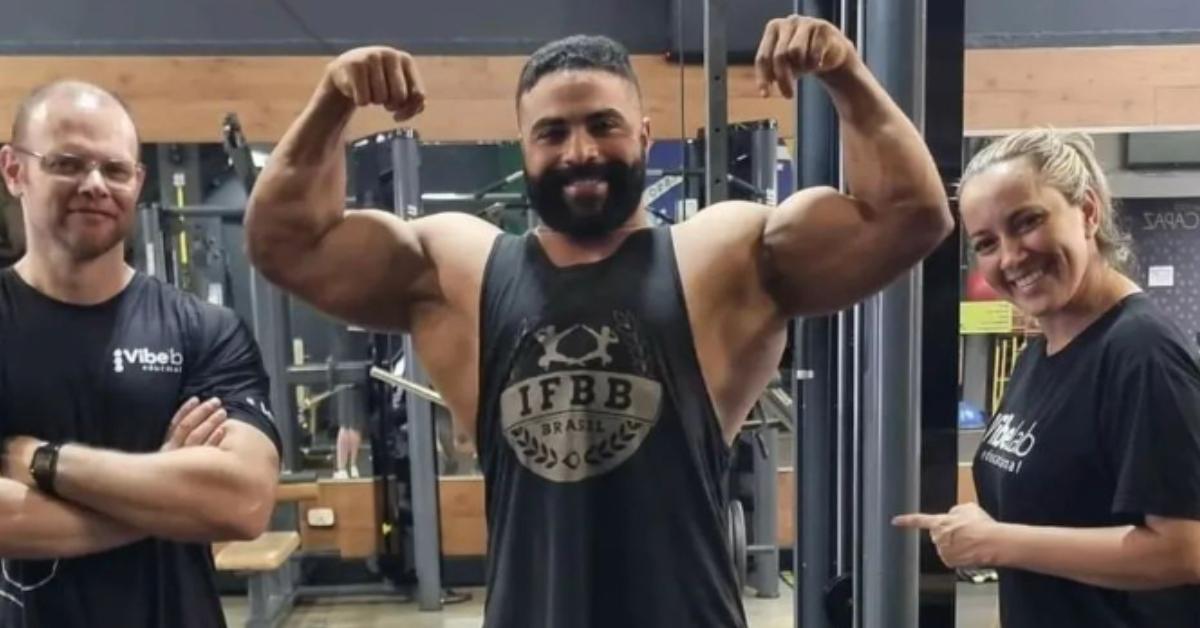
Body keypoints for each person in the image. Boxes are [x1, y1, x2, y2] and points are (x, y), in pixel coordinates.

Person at [246, 15, 951, 628]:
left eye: (603, 125)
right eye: (552, 133)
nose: (579, 151)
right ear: (523, 147)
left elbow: (911, 218)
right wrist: (331, 104)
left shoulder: (721, 256)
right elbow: (286, 245)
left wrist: (848, 75)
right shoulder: (459, 271)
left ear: (643, 135)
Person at [0, 80, 282, 628]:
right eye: (67, 163)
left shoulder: (207, 332)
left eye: (116, 169)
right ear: (15, 171)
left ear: (139, 181)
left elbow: (242, 503)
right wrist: (169, 497)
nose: (94, 184)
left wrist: (44, 462)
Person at [895, 129, 1200, 626]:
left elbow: (1182, 550)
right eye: (987, 243)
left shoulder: (1142, 352)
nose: (1011, 257)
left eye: (1028, 221)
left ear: (1088, 212)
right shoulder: (1040, 353)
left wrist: (999, 542)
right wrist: (987, 529)